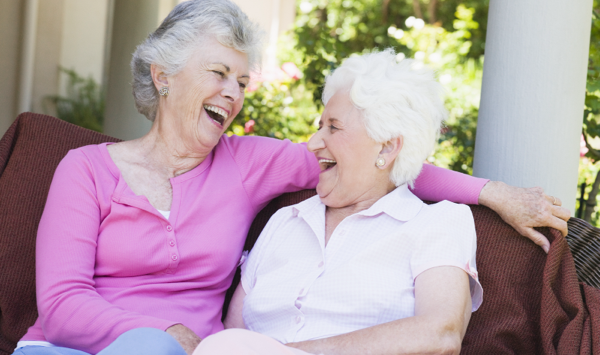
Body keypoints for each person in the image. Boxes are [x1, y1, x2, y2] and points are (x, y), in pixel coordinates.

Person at [13, 1, 569, 354]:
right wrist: (158, 337)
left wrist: (493, 193)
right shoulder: (84, 169)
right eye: (218, 74)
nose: (233, 93)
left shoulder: (250, 162)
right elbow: (60, 304)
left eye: (242, 81)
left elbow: (376, 161)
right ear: (163, 77)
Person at [194, 49, 481, 355]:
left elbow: (440, 334)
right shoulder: (285, 220)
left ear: (386, 146)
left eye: (333, 127)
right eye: (320, 126)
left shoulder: (437, 223)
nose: (313, 142)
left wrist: (297, 352)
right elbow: (233, 333)